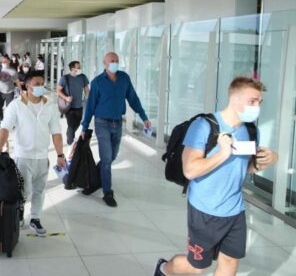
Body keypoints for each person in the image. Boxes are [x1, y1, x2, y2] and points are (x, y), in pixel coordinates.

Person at [154, 76, 278, 276]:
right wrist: (222, 154)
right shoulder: (204, 126)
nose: (257, 107)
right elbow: (190, 170)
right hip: (205, 210)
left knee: (230, 263)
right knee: (197, 267)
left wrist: (271, 159)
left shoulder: (251, 130)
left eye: (259, 102)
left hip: (235, 209)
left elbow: (247, 167)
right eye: (252, 101)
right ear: (235, 99)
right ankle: (163, 268)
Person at [0, 71, 65, 236]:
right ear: (27, 85)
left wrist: (60, 155)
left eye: (42, 83)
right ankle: (19, 213)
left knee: (39, 190)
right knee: (23, 191)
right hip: (23, 157)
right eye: (37, 84)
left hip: (41, 157)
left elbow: (56, 133)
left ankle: (35, 218)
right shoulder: (17, 105)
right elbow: (5, 128)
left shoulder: (50, 106)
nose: (40, 87)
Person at [81, 52, 151, 207]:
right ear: (104, 64)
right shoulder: (97, 82)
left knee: (111, 157)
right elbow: (90, 106)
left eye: (117, 61)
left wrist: (144, 117)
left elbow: (133, 98)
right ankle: (107, 192)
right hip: (102, 123)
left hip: (118, 123)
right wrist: (84, 126)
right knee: (106, 159)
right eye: (112, 61)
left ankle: (95, 180)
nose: (115, 63)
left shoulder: (124, 78)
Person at [57, 61, 90, 146]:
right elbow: (58, 90)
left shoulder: (83, 77)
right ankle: (71, 143)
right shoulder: (65, 78)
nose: (80, 69)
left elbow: (86, 90)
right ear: (72, 69)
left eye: (80, 67)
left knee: (77, 123)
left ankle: (69, 134)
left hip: (79, 106)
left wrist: (90, 99)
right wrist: (66, 98)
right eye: (78, 67)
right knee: (71, 126)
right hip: (69, 107)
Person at [0, 55, 22, 119]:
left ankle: (8, 119)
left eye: (5, 61)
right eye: (3, 61)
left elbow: (17, 81)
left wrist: (21, 90)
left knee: (9, 107)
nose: (4, 62)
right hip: (0, 92)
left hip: (10, 92)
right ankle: (1, 118)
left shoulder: (13, 70)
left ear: (9, 62)